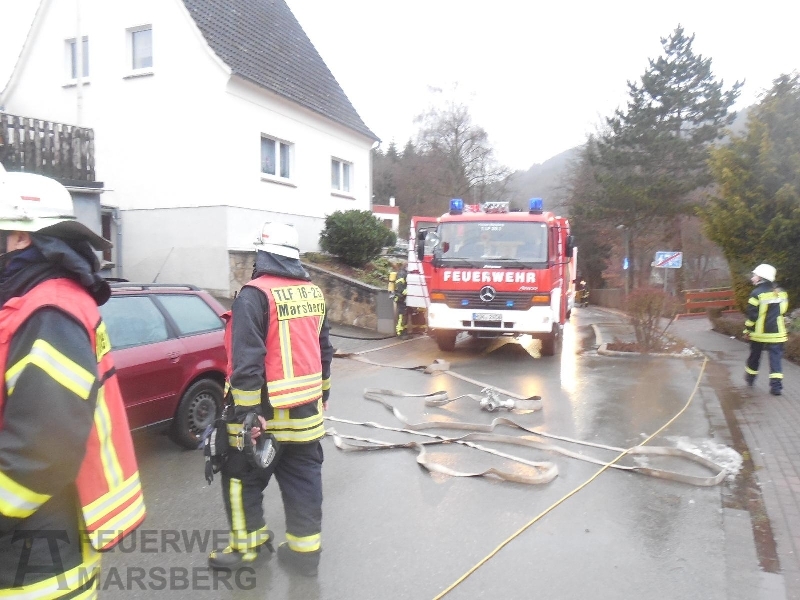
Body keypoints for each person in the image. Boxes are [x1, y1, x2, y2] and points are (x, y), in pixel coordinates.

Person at [0, 169, 145, 595]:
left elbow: (40, 456)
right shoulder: (31, 301)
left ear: (21, 237)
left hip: (36, 564)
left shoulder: (50, 311)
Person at [208, 221, 333, 577]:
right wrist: (323, 394)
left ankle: (249, 549)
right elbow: (324, 351)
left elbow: (247, 360)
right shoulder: (313, 293)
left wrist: (247, 412)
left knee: (240, 479)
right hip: (307, 417)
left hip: (263, 419)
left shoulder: (254, 295)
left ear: (262, 254)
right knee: (304, 483)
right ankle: (304, 553)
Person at [744, 263, 789, 396]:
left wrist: (747, 330)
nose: (752, 277)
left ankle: (750, 379)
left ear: (761, 277)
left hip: (759, 334)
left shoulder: (756, 293)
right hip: (777, 333)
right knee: (775, 359)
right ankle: (776, 387)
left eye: (754, 275)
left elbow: (752, 316)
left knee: (754, 356)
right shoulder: (781, 292)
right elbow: (783, 311)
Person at [393, 265, 409, 336]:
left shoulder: (405, 273)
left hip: (404, 298)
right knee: (402, 315)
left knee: (405, 315)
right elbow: (399, 286)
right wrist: (407, 292)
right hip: (401, 298)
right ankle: (399, 332)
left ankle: (404, 331)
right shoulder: (402, 273)